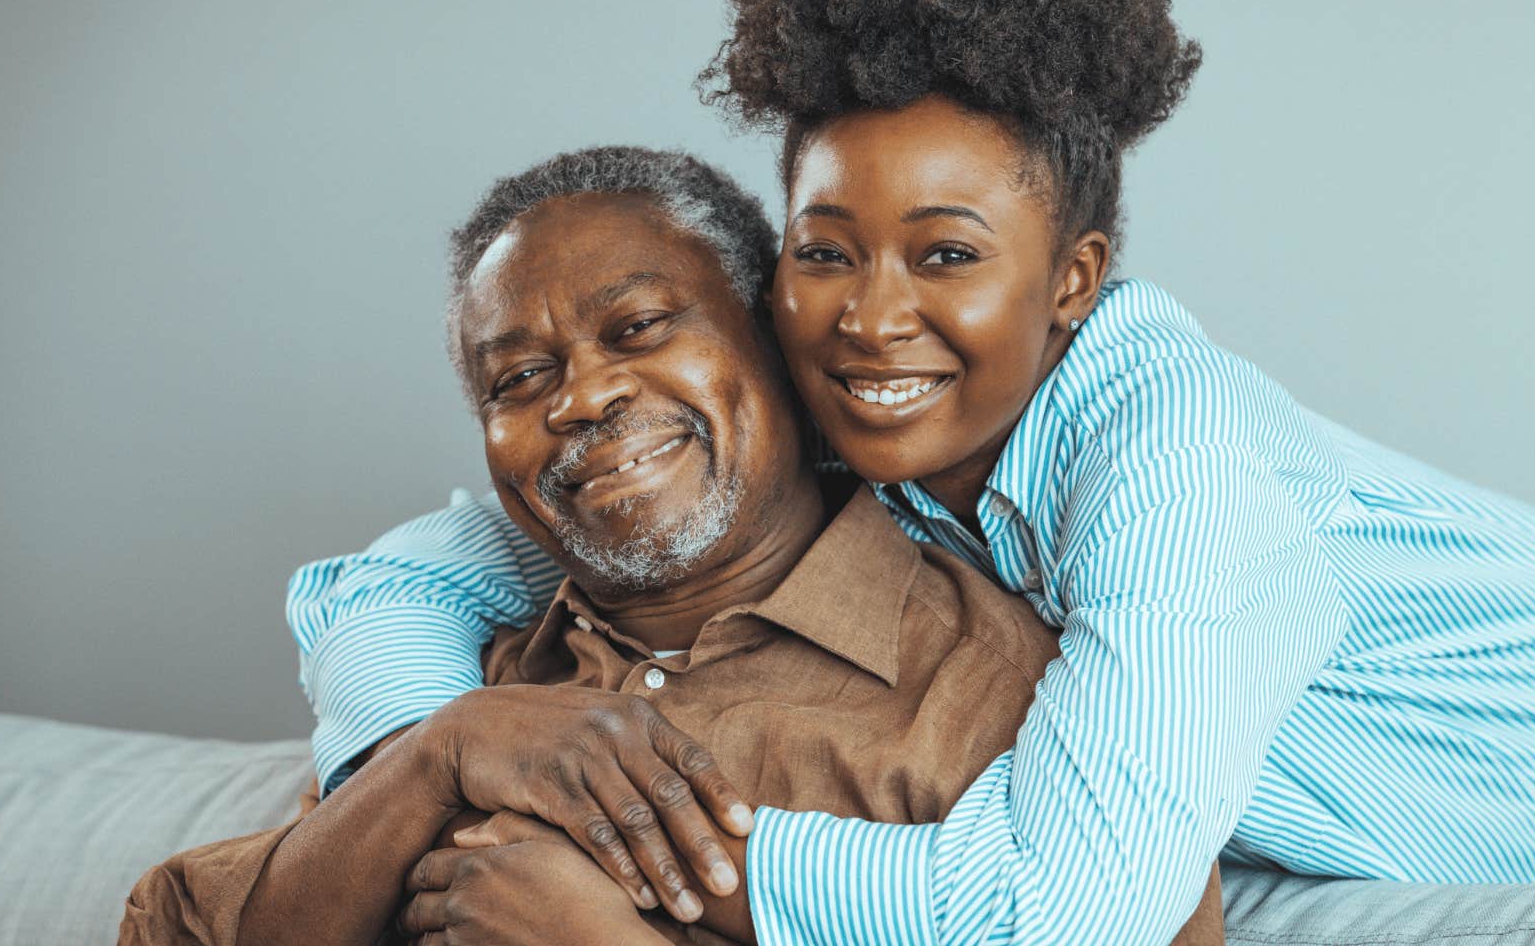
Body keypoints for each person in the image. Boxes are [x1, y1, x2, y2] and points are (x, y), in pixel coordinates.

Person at [289, 0, 1535, 945]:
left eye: (948, 256)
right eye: (824, 250)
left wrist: (615, 871)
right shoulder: (826, 392)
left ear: (1074, 283)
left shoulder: (1175, 459)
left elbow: (1059, 909)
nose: (870, 315)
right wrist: (441, 751)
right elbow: (415, 570)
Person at [120, 146, 1223, 945]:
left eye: (640, 328)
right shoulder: (473, 684)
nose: (582, 397)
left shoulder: (1024, 707)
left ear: (780, 340)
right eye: (518, 378)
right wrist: (437, 756)